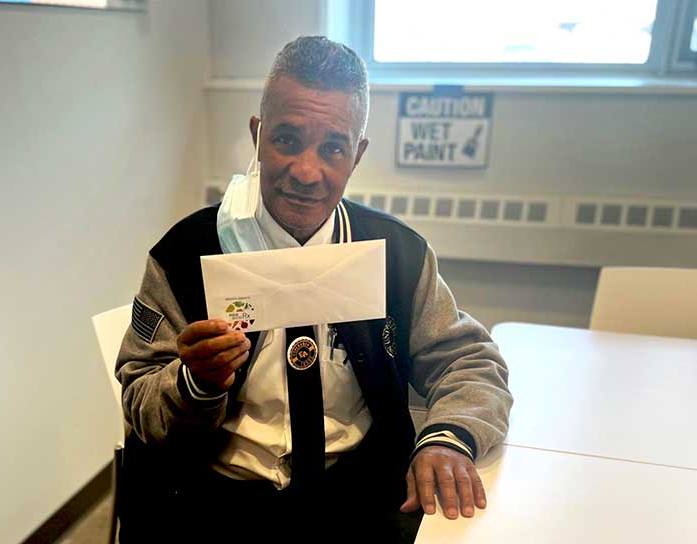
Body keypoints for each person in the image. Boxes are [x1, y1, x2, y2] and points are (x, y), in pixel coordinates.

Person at [115, 36, 512, 543]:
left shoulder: (396, 254)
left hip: (355, 498)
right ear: (258, 135)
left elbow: (470, 361)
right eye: (286, 139)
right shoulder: (185, 254)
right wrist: (196, 382)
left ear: (358, 154)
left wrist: (450, 438)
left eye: (333, 148)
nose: (307, 171)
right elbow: (140, 398)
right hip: (213, 499)